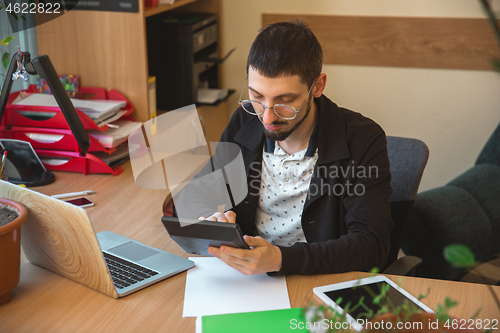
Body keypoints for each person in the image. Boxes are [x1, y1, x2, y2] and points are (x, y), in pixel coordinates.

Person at [175, 21, 393, 276]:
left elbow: (372, 246)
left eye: (285, 101)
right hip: (247, 280)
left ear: (318, 86)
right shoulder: (244, 121)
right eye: (257, 97)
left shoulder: (363, 140)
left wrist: (280, 259)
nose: (267, 118)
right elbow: (195, 193)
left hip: (319, 279)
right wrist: (210, 217)